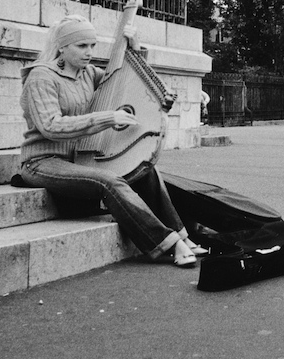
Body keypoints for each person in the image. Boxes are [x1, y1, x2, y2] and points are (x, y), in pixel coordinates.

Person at [17, 15, 206, 267]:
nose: (89, 52)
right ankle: (167, 243)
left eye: (92, 45)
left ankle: (182, 235)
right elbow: (51, 126)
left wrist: (136, 48)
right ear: (62, 47)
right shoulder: (41, 77)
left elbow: (126, 79)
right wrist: (106, 118)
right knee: (108, 180)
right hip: (43, 161)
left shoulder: (88, 74)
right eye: (82, 46)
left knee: (145, 169)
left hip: (82, 157)